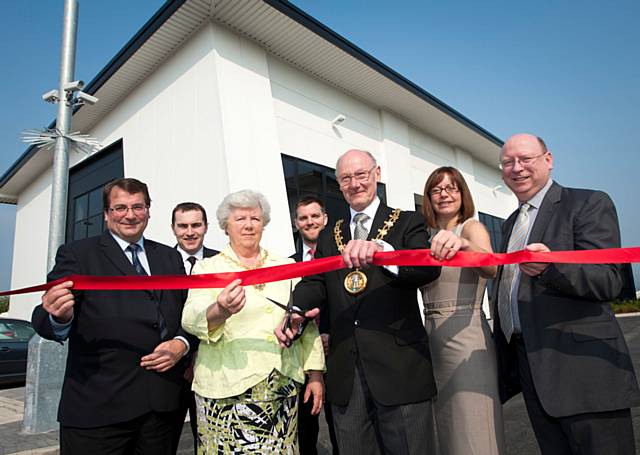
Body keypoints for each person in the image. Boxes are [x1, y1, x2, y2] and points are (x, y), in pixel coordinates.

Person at [277, 149, 442, 454]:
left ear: (376, 175)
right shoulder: (330, 236)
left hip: (399, 370)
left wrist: (382, 251)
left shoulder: (407, 222)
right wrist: (297, 309)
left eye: (361, 175)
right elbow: (314, 282)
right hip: (346, 375)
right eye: (346, 178)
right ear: (339, 185)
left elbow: (426, 268)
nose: (355, 184)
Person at [493, 133, 640, 454]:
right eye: (508, 162)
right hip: (532, 368)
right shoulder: (510, 224)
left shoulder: (587, 203)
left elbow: (610, 280)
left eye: (525, 159)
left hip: (583, 372)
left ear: (548, 160)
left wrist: (551, 268)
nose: (516, 168)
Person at [32, 178, 192, 455]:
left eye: (137, 207)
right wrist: (59, 316)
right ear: (106, 215)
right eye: (120, 208)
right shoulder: (78, 255)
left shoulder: (169, 257)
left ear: (148, 211)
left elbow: (190, 316)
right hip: (100, 410)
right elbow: (44, 318)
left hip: (162, 408)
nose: (130, 215)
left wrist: (183, 343)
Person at [181, 189, 325, 454]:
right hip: (226, 388)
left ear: (264, 224)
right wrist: (220, 310)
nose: (249, 225)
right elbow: (191, 319)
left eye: (255, 219)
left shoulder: (285, 266)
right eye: (240, 219)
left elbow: (305, 323)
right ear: (226, 226)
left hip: (282, 387)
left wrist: (315, 374)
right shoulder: (207, 268)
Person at [421, 166, 504, 454]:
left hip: (465, 332)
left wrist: (466, 244)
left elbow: (491, 266)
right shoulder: (424, 234)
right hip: (430, 338)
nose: (444, 194)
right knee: (442, 429)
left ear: (462, 194)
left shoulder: (471, 227)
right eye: (437, 189)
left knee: (473, 426)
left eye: (452, 188)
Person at [291, 196, 339, 455]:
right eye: (303, 218)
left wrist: (331, 333)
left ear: (325, 219)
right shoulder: (286, 264)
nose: (310, 222)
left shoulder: (342, 259)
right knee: (304, 434)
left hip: (338, 353)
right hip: (301, 362)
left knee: (342, 429)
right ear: (296, 223)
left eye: (315, 216)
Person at [170, 202, 219, 454]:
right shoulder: (160, 263)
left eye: (196, 225)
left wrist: (197, 353)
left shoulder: (222, 262)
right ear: (173, 228)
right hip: (171, 371)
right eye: (183, 226)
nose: (189, 232)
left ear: (206, 227)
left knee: (208, 440)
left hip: (210, 365)